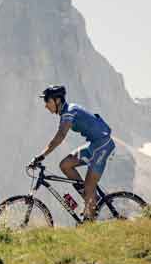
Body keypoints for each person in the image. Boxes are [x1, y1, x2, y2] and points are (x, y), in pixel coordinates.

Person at [32, 85, 115, 221]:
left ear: (57, 100)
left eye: (47, 101)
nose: (45, 105)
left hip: (102, 145)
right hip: (93, 145)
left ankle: (90, 218)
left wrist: (42, 155)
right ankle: (92, 200)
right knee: (65, 165)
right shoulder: (66, 112)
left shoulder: (69, 111)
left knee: (89, 186)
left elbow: (60, 136)